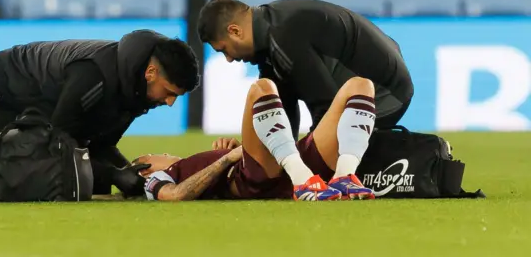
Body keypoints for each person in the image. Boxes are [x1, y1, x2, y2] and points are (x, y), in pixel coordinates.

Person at [0, 30, 200, 200]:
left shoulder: (134, 90)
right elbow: (58, 145)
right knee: (33, 171)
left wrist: (130, 175)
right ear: (150, 73)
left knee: (71, 182)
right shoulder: (96, 75)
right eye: (170, 91)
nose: (171, 102)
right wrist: (116, 176)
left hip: (42, 114)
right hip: (0, 92)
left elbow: (98, 145)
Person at [197, 0, 413, 138]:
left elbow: (326, 107)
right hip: (389, 84)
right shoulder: (271, 32)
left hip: (387, 97)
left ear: (235, 31)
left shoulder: (284, 36)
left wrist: (303, 160)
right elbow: (282, 107)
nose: (228, 59)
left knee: (325, 159)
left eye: (224, 50)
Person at [136, 76, 377, 201]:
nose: (165, 154)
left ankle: (344, 177)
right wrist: (227, 159)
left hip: (281, 162)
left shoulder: (194, 164)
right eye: (156, 155)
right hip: (255, 179)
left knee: (360, 86)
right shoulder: (157, 179)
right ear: (145, 168)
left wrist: (239, 150)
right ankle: (303, 180)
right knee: (261, 88)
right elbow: (176, 196)